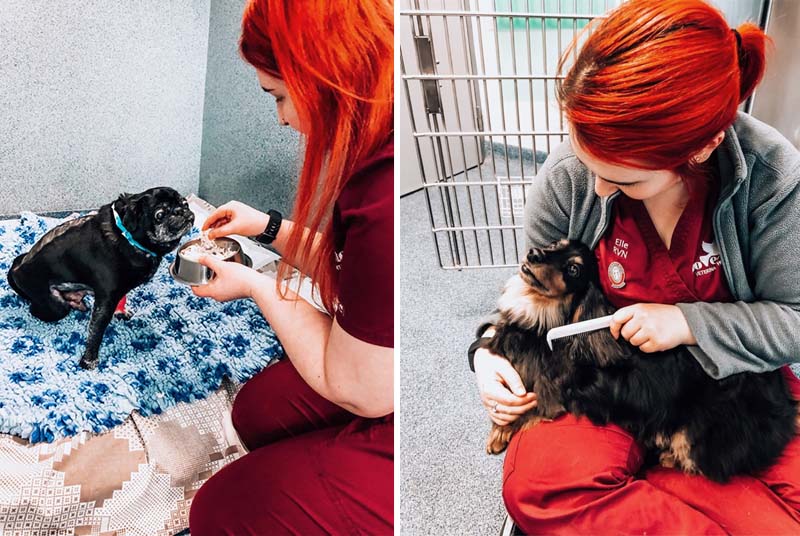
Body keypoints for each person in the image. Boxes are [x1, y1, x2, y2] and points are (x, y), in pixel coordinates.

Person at [471, 0, 800, 533]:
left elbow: (795, 317)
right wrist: (486, 356)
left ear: (703, 147)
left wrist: (690, 323)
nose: (598, 189)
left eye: (624, 182)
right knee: (537, 485)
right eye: (588, 164)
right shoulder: (568, 177)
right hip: (603, 378)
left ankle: (646, 491)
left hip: (722, 386)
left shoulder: (772, 178)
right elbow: (528, 301)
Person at [187, 0, 394, 533]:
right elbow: (350, 267)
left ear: (325, 72)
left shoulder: (385, 192)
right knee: (256, 412)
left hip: (389, 398)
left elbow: (358, 387)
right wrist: (268, 227)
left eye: (278, 96)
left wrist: (257, 284)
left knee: (217, 510)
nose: (280, 119)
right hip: (385, 371)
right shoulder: (371, 162)